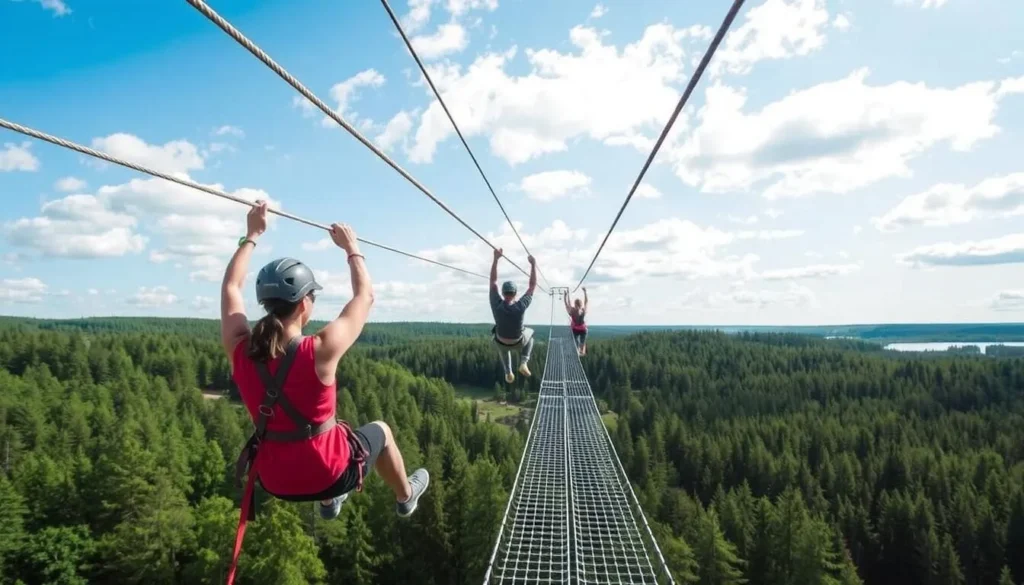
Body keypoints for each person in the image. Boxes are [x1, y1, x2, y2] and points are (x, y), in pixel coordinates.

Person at [220, 201, 429, 583]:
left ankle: (331, 503)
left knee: (328, 434)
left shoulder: (240, 348)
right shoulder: (319, 350)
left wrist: (251, 235)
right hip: (329, 473)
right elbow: (364, 298)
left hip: (275, 481)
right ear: (304, 304)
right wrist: (352, 249)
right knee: (380, 430)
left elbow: (231, 287)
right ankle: (405, 498)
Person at [489, 247, 537, 384]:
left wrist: (495, 259)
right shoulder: (520, 306)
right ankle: (524, 362)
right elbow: (532, 286)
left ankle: (508, 373)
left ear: (503, 293)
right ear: (515, 293)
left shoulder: (496, 304)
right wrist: (533, 265)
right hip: (518, 341)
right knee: (531, 334)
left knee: (503, 347)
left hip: (501, 341)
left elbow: (493, 282)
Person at [565, 287, 588, 356]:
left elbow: (586, 302)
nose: (577, 307)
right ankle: (578, 351)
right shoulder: (573, 310)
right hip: (576, 329)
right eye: (576, 306)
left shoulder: (582, 310)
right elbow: (568, 303)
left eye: (578, 306)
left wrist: (585, 292)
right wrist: (566, 295)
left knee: (582, 342)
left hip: (582, 330)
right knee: (576, 342)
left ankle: (581, 351)